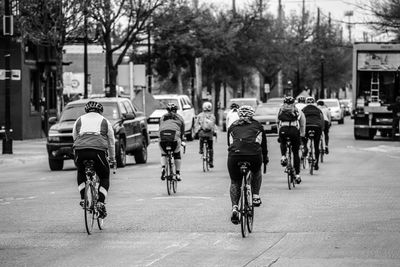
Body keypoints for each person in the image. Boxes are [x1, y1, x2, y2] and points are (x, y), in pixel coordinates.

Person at [73, 101, 116, 219]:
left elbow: (75, 136)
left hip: (80, 150)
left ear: (86, 110)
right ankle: (101, 202)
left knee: (81, 172)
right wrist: (112, 159)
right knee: (104, 176)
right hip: (98, 151)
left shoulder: (79, 120)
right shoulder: (105, 121)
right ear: (100, 111)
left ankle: (83, 199)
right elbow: (111, 142)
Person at [227, 105, 269, 224]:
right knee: (256, 171)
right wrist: (265, 159)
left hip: (235, 156)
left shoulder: (232, 126)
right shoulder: (258, 126)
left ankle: (235, 207)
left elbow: (229, 144)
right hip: (253, 155)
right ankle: (255, 195)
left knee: (235, 181)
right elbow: (263, 146)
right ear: (252, 114)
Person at [277, 96, 306, 184]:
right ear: (294, 102)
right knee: (296, 153)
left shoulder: (281, 110)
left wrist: (279, 134)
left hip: (283, 130)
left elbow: (277, 122)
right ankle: (297, 174)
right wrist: (302, 134)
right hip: (294, 130)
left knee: (282, 142)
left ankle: (283, 156)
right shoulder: (297, 110)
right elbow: (302, 123)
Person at [159, 103, 185, 181]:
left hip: (162, 138)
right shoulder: (180, 118)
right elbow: (182, 132)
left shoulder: (162, 117)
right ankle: (177, 173)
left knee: (163, 153)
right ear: (176, 110)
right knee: (177, 154)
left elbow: (160, 128)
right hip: (174, 138)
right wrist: (182, 140)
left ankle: (163, 168)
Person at [302, 97, 325, 171]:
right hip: (317, 127)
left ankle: (305, 147)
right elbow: (322, 120)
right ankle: (316, 164)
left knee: (304, 138)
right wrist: (321, 130)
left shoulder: (303, 109)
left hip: (307, 126)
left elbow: (301, 120)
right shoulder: (318, 110)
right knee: (316, 145)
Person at [195, 101, 217, 168]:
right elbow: (213, 126)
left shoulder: (200, 115)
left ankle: (201, 149)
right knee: (210, 147)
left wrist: (196, 131)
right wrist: (214, 133)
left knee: (201, 138)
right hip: (209, 134)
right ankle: (211, 162)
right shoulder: (212, 116)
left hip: (202, 133)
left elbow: (196, 124)